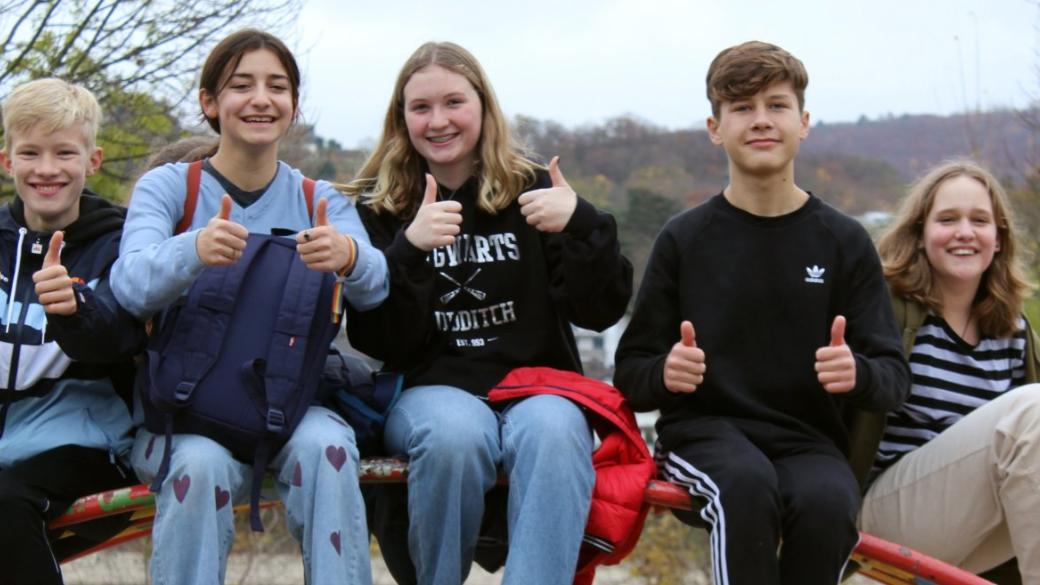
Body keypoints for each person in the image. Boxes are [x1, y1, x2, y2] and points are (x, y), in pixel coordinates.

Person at [613, 40, 910, 585]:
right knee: (744, 485)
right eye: (742, 108)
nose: (761, 120)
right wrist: (665, 373)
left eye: (776, 105)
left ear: (804, 123)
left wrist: (858, 373)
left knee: (827, 502)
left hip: (808, 441)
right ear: (715, 127)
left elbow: (892, 378)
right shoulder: (685, 239)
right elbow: (631, 374)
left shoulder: (844, 242)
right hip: (704, 436)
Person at [341, 41, 632, 585]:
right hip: (431, 392)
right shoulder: (378, 209)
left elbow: (599, 311)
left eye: (454, 102)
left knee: (553, 430)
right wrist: (408, 252)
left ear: (482, 106)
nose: (438, 120)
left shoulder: (533, 191)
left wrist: (584, 224)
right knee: (454, 436)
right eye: (421, 107)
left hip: (537, 385)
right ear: (401, 119)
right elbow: (384, 343)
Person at [109, 29, 387, 585]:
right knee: (198, 467)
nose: (261, 99)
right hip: (182, 414)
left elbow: (375, 286)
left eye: (277, 87)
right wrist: (194, 248)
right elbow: (129, 284)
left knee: (331, 450)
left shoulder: (319, 200)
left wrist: (350, 254)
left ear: (294, 106)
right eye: (242, 85)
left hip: (288, 403)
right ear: (210, 103)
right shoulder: (171, 188)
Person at [859, 160, 1040, 583]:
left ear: (998, 240)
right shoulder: (887, 307)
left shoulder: (1012, 331)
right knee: (1033, 411)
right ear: (921, 235)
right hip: (882, 516)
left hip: (967, 529)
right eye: (947, 219)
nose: (964, 232)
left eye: (980, 220)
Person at [0, 78, 146, 584]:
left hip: (89, 437)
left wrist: (75, 308)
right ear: (7, 161)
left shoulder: (123, 243)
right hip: (7, 433)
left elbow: (123, 339)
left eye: (64, 152)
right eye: (30, 153)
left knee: (4, 499)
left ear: (93, 160)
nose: (46, 169)